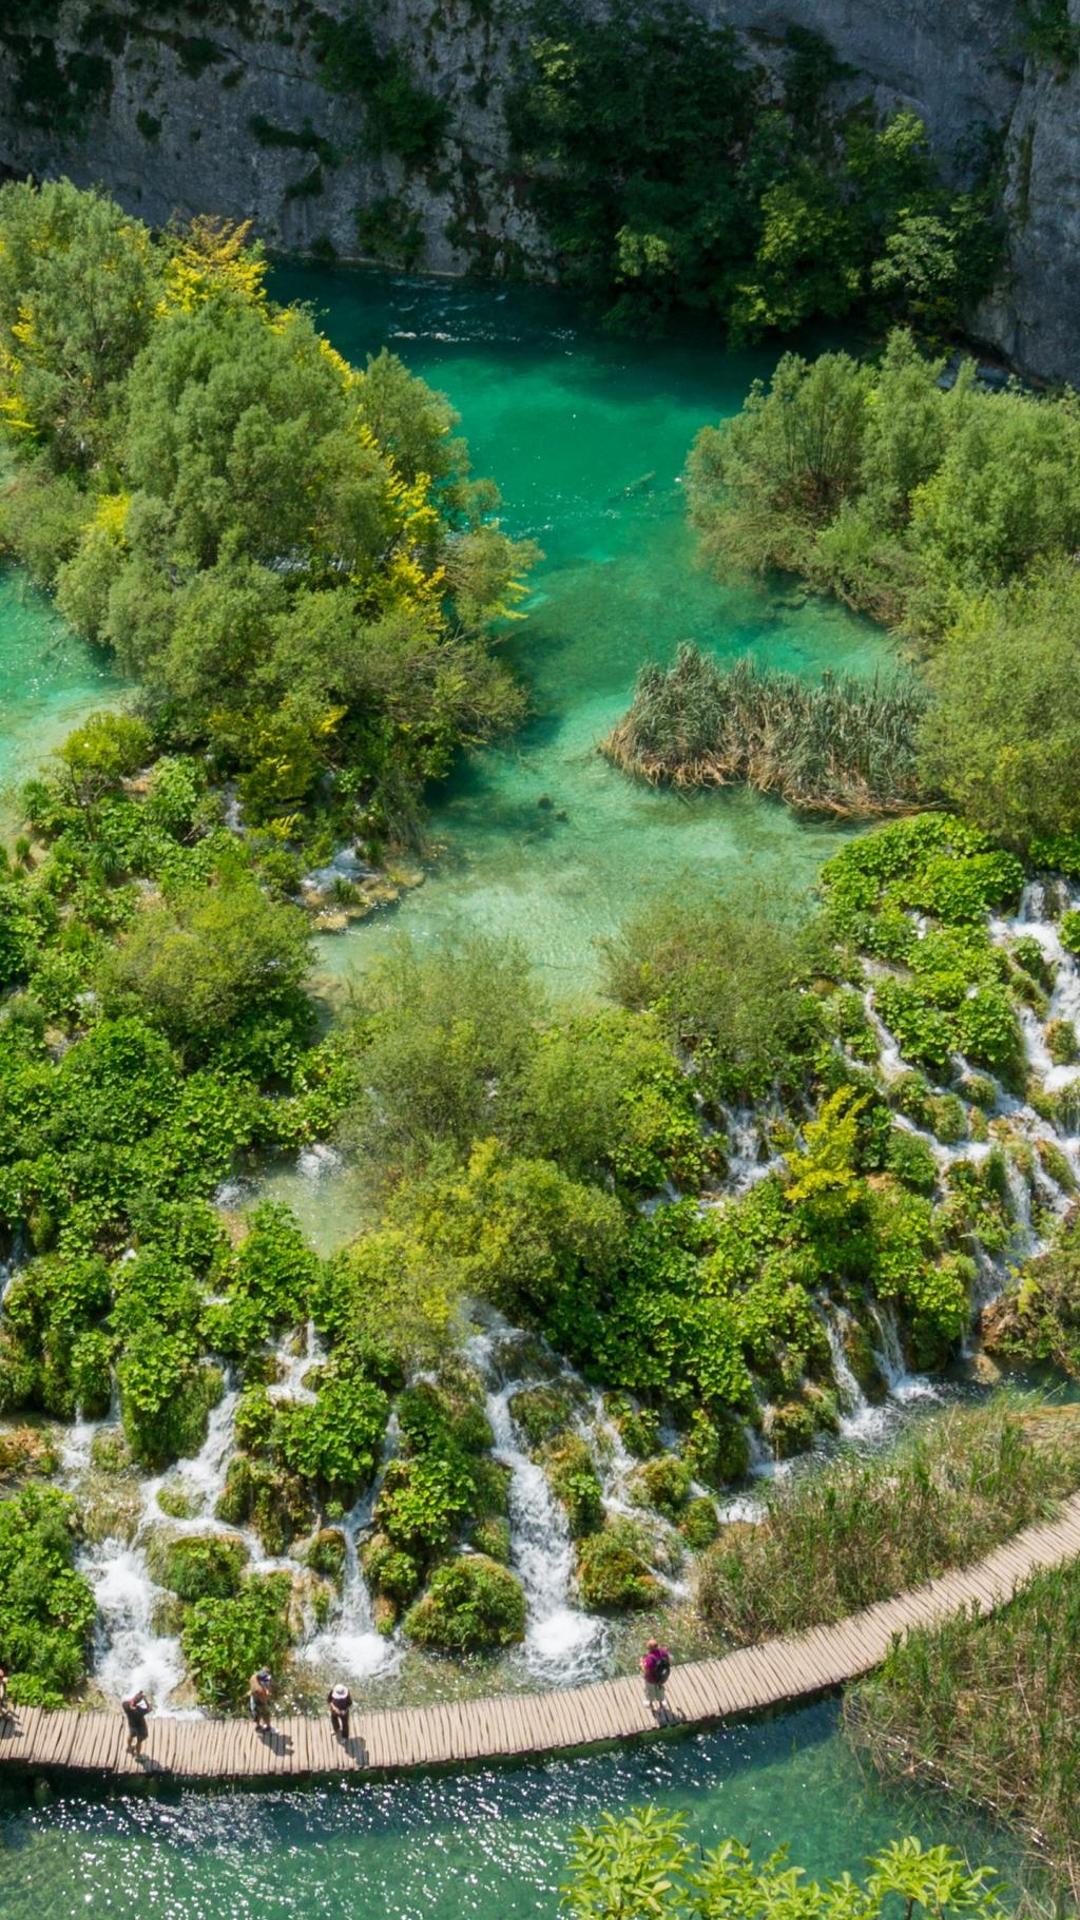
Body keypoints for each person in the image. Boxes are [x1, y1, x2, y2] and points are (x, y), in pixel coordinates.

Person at [640, 1637, 671, 1712]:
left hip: (651, 1679)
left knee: (650, 1691)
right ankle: (661, 1704)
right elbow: (669, 1661)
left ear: (649, 1649)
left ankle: (650, 1704)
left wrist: (641, 1663)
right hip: (661, 1677)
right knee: (660, 1690)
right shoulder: (663, 1652)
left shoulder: (649, 1658)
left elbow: (646, 1670)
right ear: (657, 1646)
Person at [121, 1689, 151, 1756]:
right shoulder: (139, 1710)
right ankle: (138, 1755)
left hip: (132, 1725)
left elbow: (128, 1701)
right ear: (139, 1702)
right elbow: (149, 1709)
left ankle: (129, 1747)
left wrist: (135, 1698)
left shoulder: (125, 1705)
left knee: (131, 1735)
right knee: (139, 1741)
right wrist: (146, 1700)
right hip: (141, 1728)